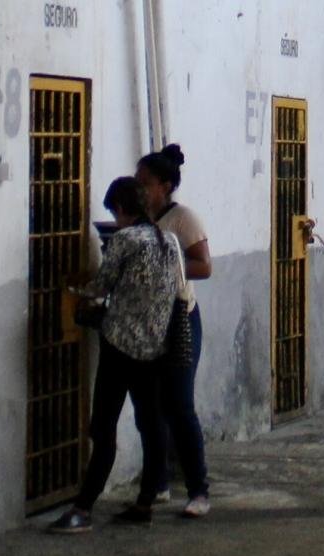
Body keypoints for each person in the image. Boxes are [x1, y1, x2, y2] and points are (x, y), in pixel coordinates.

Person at [49, 177, 181, 534]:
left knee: (102, 427)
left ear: (121, 208)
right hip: (156, 349)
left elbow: (100, 287)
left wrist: (72, 290)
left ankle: (83, 508)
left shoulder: (123, 240)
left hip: (120, 346)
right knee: (152, 426)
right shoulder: (169, 240)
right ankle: (144, 503)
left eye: (114, 211)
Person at [137, 144, 213, 519]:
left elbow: (204, 266)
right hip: (146, 321)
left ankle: (198, 489)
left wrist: (168, 266)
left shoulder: (182, 219)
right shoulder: (136, 220)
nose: (141, 189)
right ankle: (158, 481)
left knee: (180, 404)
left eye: (146, 183)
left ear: (164, 186)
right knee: (151, 406)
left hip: (179, 318)